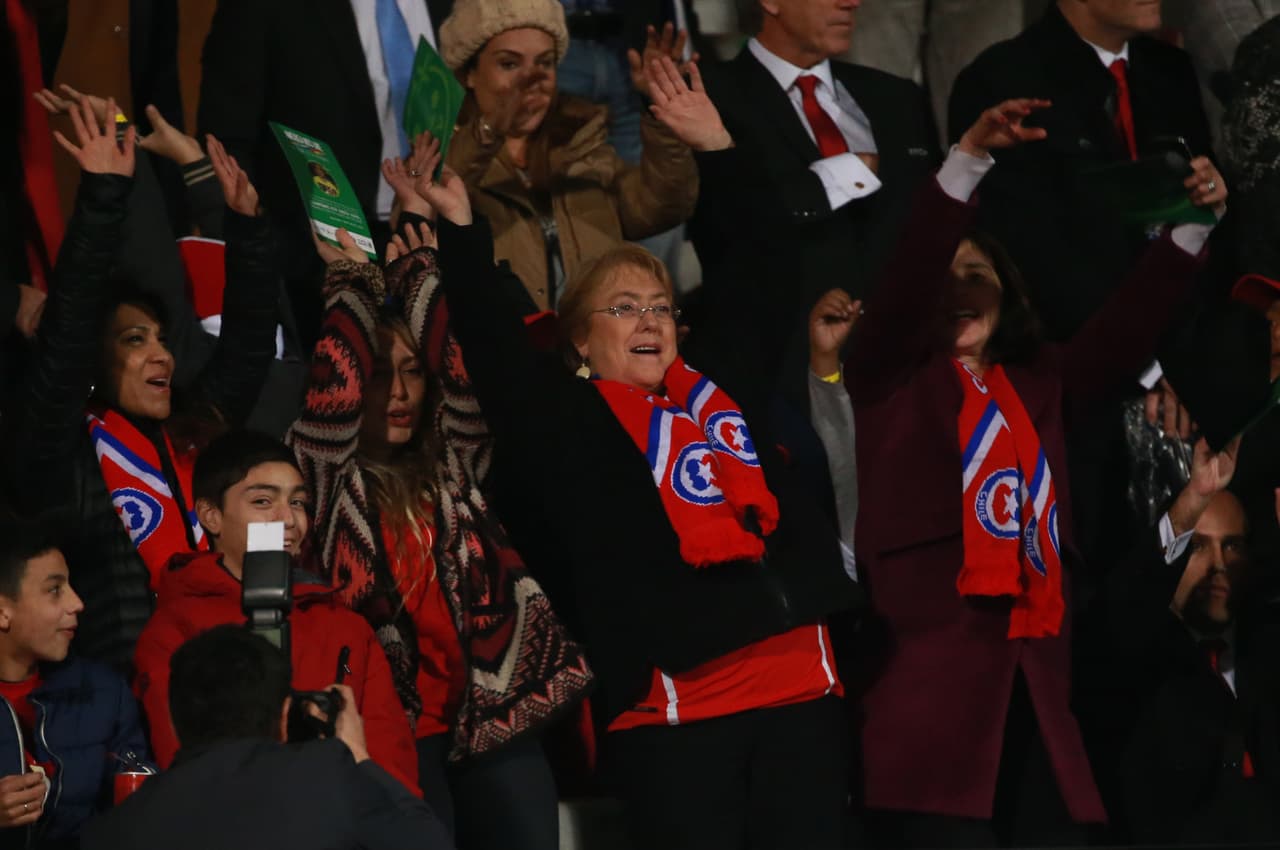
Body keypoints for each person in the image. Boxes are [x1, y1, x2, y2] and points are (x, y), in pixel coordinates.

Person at [421, 126, 862, 849]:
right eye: (621, 308)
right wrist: (462, 231)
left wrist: (722, 149)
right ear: (579, 345)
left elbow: (767, 264)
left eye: (658, 305)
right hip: (680, 715)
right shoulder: (568, 425)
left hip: (802, 691)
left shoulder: (723, 387)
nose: (648, 319)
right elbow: (497, 352)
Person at [811, 98, 1227, 847]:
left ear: (1010, 297)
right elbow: (909, 278)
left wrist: (1190, 230)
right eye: (949, 273)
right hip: (930, 694)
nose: (960, 285)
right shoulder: (886, 377)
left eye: (980, 274)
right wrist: (968, 158)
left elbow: (1126, 330)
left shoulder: (1041, 382)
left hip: (1038, 687)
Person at [289, 217, 591, 847]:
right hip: (393, 726)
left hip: (495, 719)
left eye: (410, 371)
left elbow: (460, 378)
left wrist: (421, 277)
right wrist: (352, 282)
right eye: (377, 374)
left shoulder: (457, 468)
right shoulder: (322, 476)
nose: (398, 392)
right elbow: (332, 395)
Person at [7, 96, 281, 671]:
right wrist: (103, 193)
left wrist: (249, 235)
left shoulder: (193, 429)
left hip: (226, 669)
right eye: (135, 341)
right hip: (125, 693)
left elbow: (250, 349)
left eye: (160, 340)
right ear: (95, 360)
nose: (161, 355)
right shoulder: (63, 450)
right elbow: (68, 330)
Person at [131, 430, 419, 793]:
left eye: (298, 503)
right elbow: (185, 767)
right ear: (210, 515)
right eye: (264, 501)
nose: (288, 520)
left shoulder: (346, 626)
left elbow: (392, 765)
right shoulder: (173, 630)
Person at [199, 0, 454, 344]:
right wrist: (276, 256)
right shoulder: (263, 8)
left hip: (438, 241)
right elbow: (228, 142)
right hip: (316, 266)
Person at [439, 0, 718, 310]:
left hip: (593, 346)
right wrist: (488, 130)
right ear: (470, 74)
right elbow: (421, 218)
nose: (531, 79)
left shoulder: (582, 140)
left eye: (545, 63)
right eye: (509, 64)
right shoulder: (439, 151)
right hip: (506, 350)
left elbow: (659, 209)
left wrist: (662, 118)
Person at [82, 625, 454, 850]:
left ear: (176, 719)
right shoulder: (328, 776)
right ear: (284, 714)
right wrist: (356, 753)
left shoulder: (113, 833)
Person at [1108, 437, 1280, 844]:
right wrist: (1194, 498)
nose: (1219, 565)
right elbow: (1122, 610)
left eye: (1233, 546)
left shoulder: (1269, 645)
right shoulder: (1136, 650)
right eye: (1198, 547)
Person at [0, 514, 153, 850]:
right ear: (3, 610)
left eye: (70, 586)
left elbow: (138, 810)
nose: (77, 604)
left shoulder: (104, 693)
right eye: (55, 590)